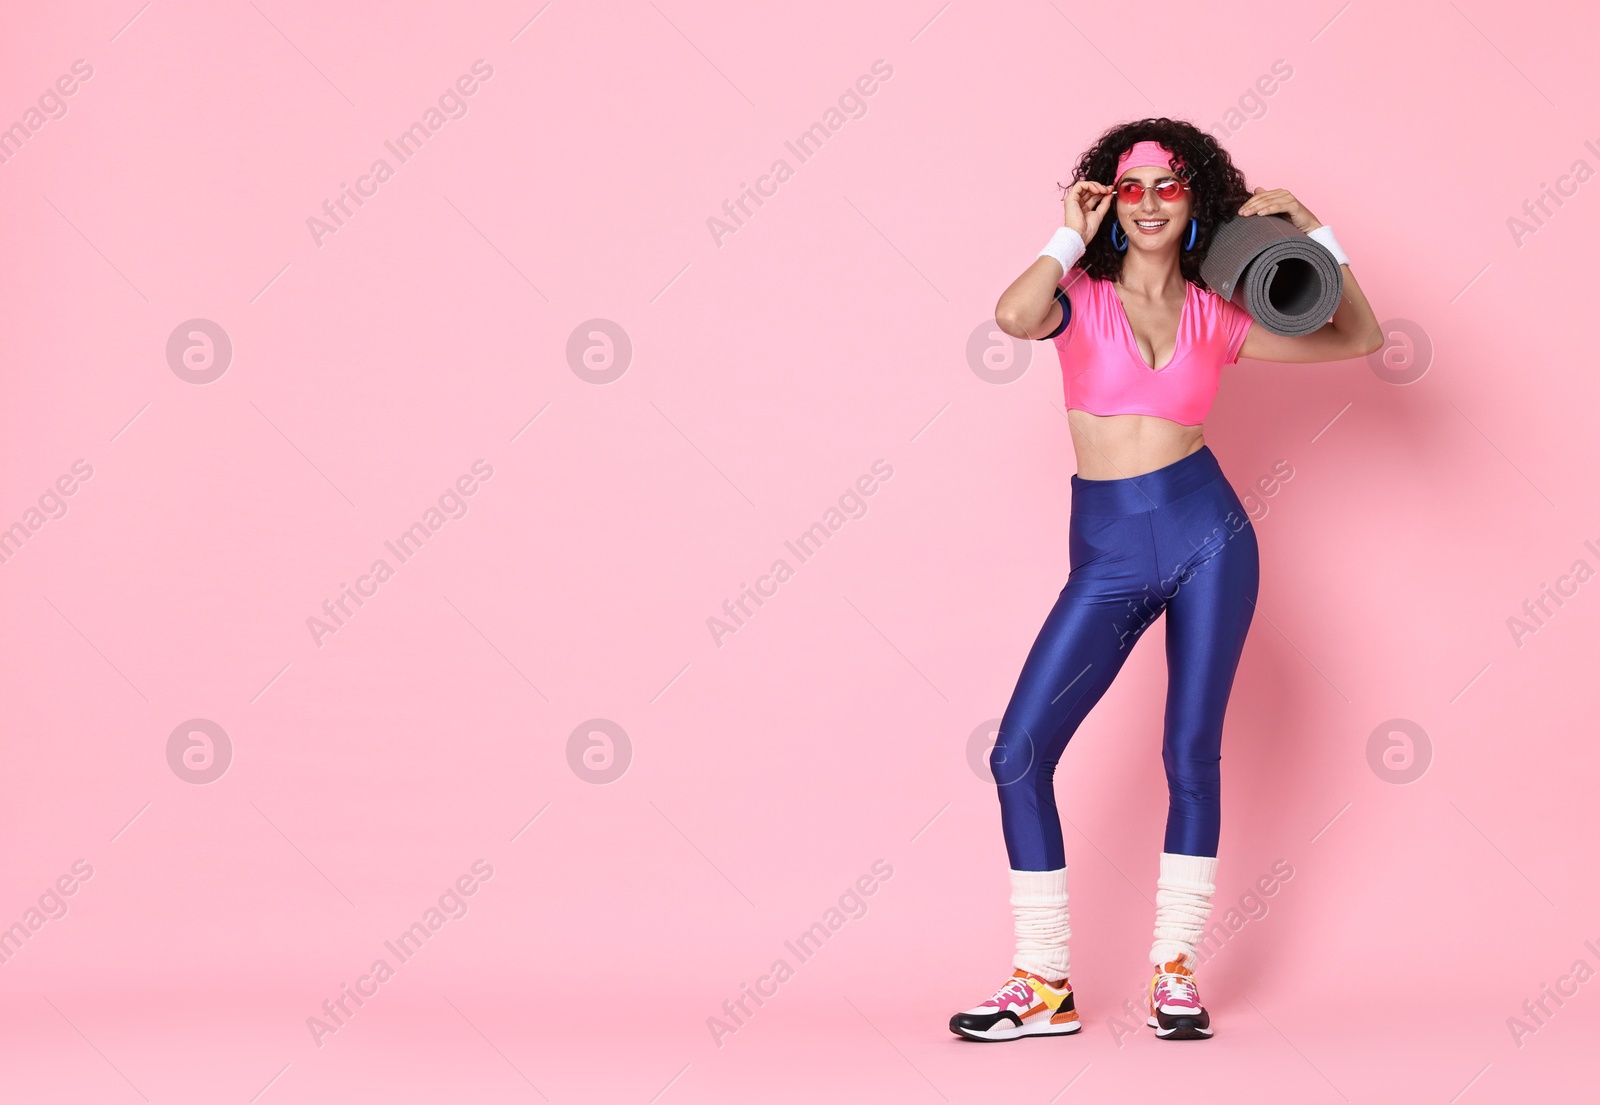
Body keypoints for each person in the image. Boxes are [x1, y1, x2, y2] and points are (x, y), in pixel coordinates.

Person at [948, 118, 1381, 1043]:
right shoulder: (1075, 297)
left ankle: (1174, 974)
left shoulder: (1220, 318)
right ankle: (1044, 980)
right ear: (1110, 202)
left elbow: (1359, 335)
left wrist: (1314, 230)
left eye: (1169, 187)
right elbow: (1011, 317)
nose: (1148, 201)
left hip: (1209, 537)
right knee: (1018, 752)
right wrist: (1068, 231)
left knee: (1190, 755)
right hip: (1108, 553)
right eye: (1130, 187)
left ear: (1196, 206)